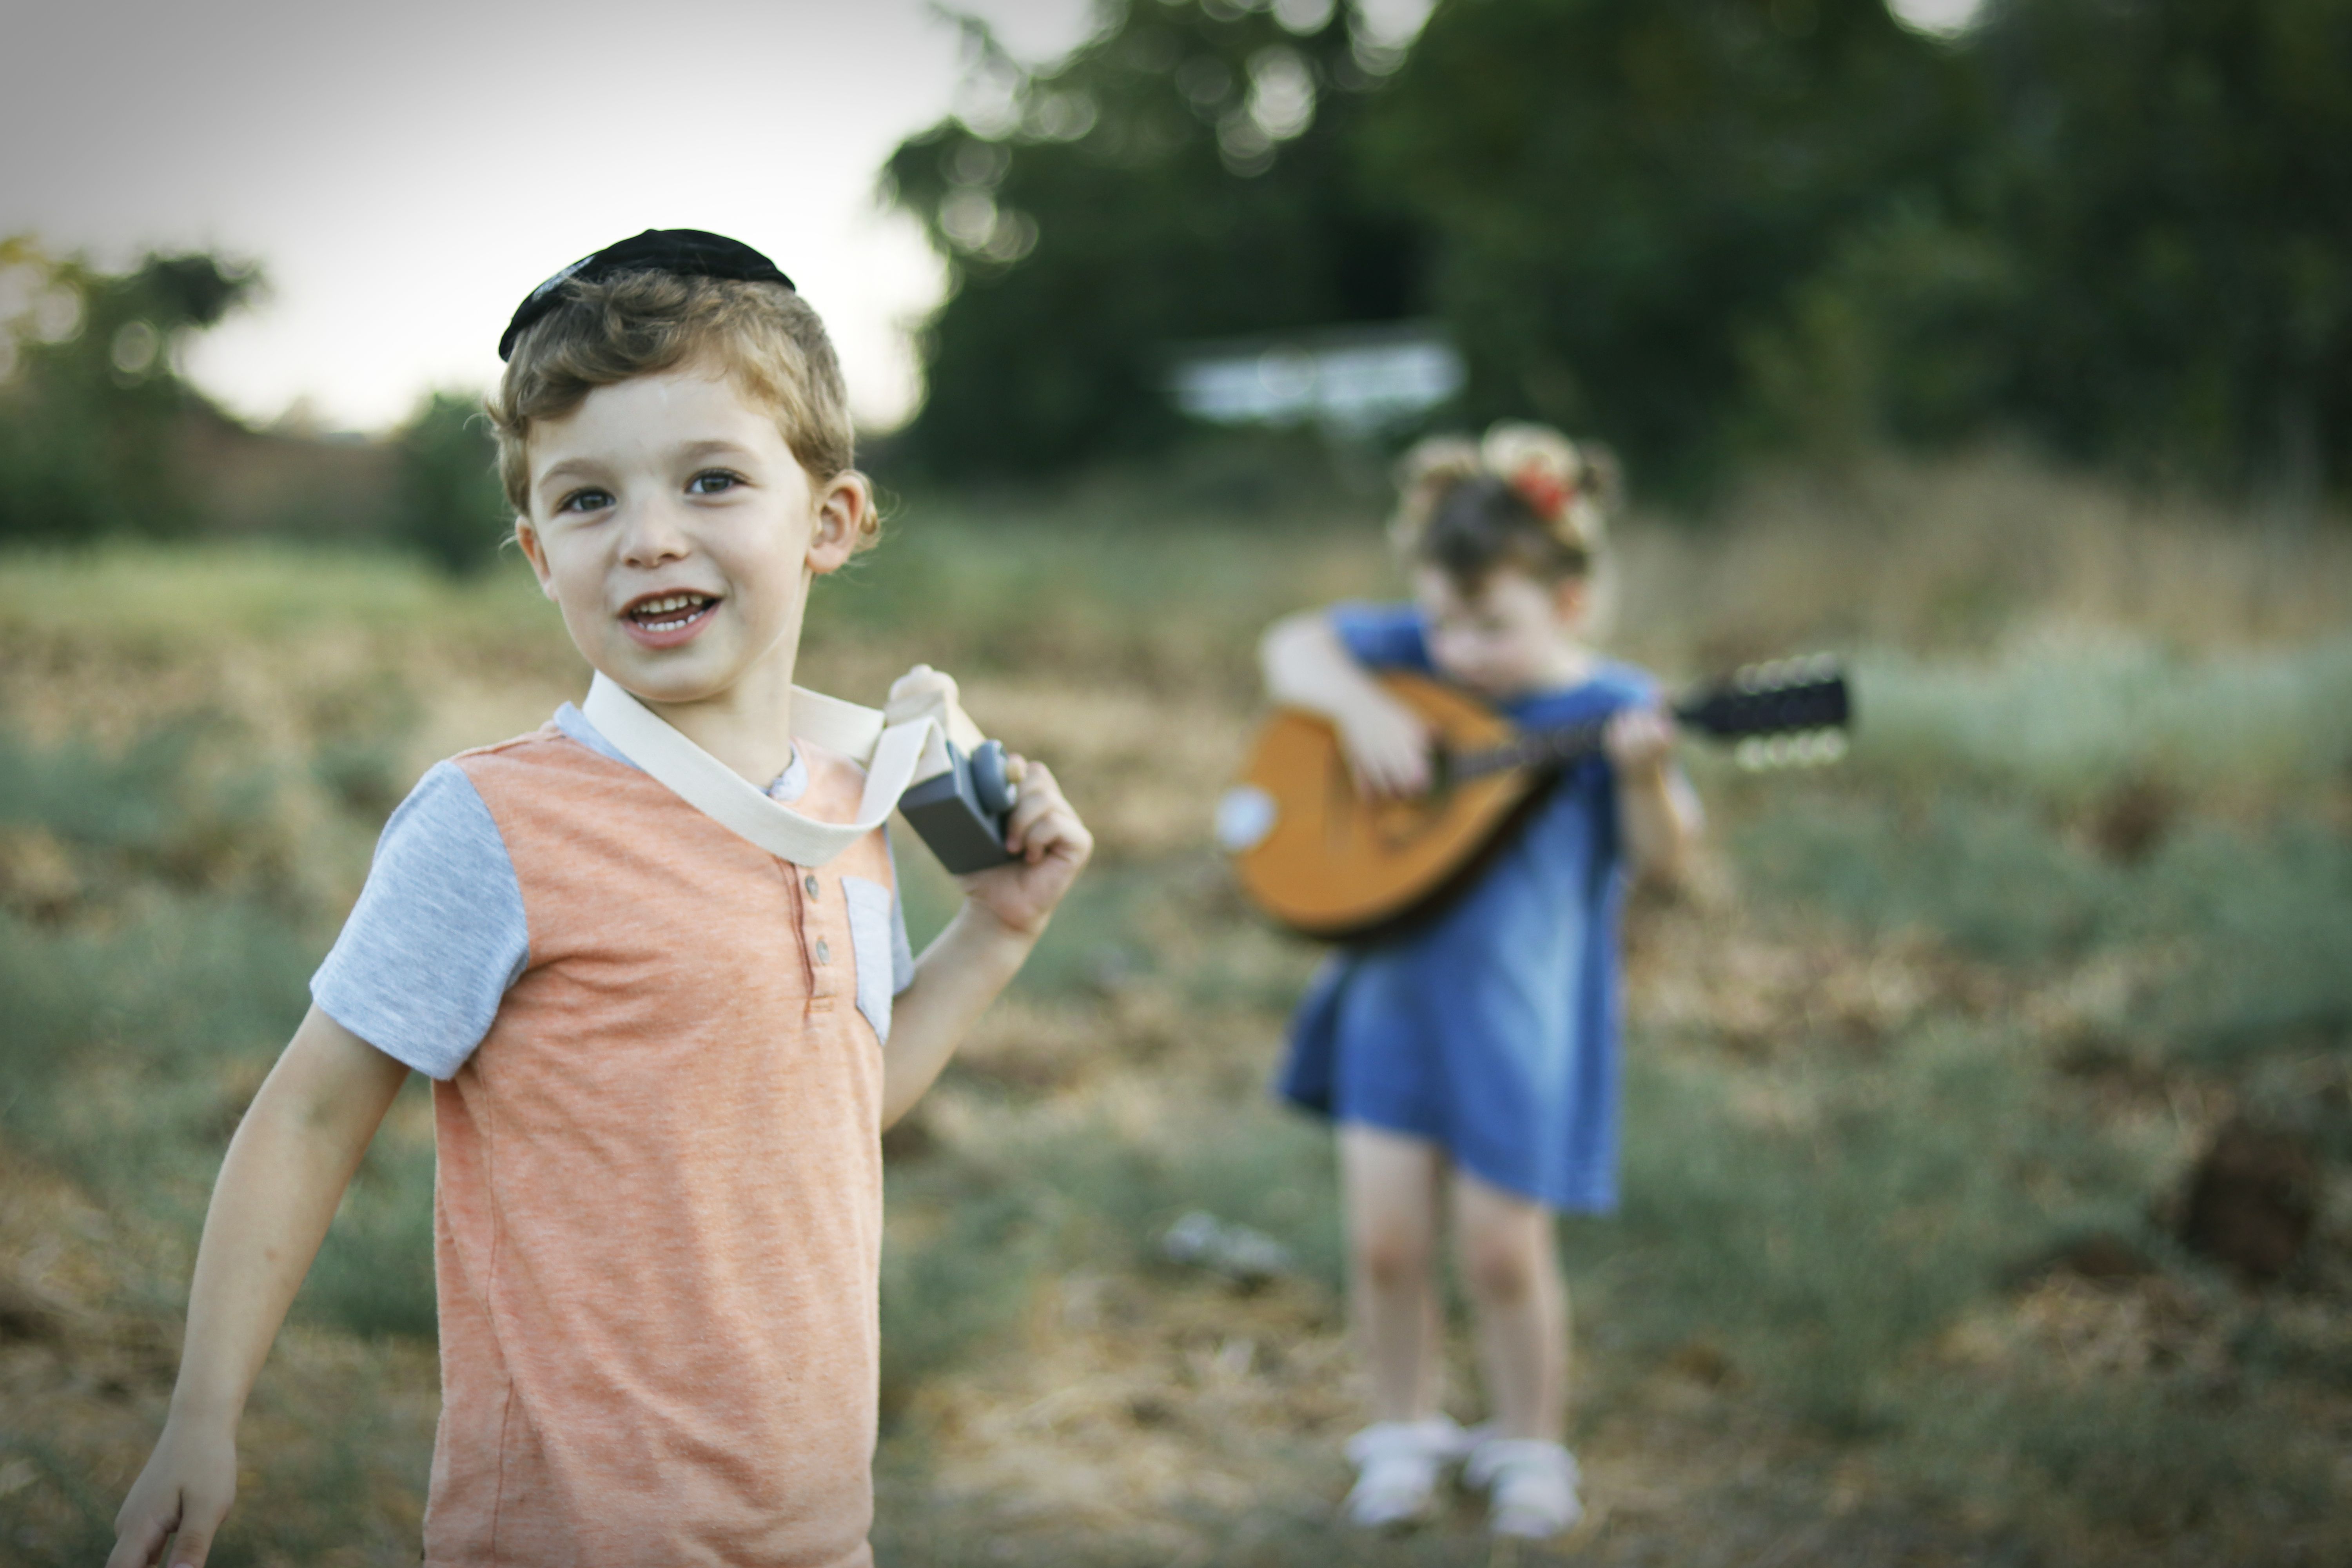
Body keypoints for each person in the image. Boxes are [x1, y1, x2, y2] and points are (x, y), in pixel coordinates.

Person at [107, 230, 1093, 1568]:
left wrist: (997, 930)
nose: (650, 538)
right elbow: (311, 1112)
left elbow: (826, 1105)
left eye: (711, 480)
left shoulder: (845, 809)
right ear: (537, 554)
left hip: (816, 1529)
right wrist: (201, 1419)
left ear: (830, 521)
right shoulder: (496, 822)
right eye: (587, 502)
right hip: (573, 1532)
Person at [1258, 423, 1700, 1541]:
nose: (1460, 650)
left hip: (1520, 1029)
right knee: (1386, 1245)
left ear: (1572, 602)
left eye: (1492, 627)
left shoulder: (1612, 704)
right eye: (1444, 621)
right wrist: (1364, 708)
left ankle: (1530, 1444)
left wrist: (1644, 779)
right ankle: (1402, 1433)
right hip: (1390, 1014)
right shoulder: (1414, 656)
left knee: (1504, 1252)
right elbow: (1293, 647)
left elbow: (1668, 862)